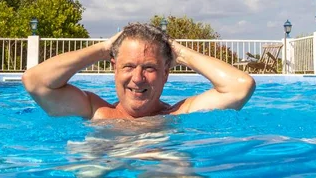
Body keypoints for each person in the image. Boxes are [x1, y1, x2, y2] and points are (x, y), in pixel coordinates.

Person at [22, 22, 255, 120]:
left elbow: (239, 86)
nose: (137, 78)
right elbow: (35, 81)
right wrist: (104, 49)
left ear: (166, 73)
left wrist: (179, 53)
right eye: (129, 66)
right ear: (114, 68)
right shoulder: (96, 111)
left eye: (150, 68)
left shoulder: (177, 114)